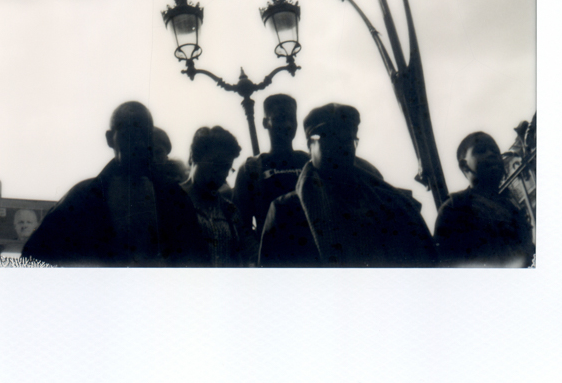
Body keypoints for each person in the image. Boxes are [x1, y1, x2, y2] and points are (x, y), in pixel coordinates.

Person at [22, 102, 207, 267]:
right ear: (110, 139)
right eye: (130, 135)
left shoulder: (174, 197)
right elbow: (35, 256)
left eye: (144, 135)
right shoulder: (82, 197)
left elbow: (196, 261)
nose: (139, 144)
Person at [259, 103, 437, 267]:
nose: (340, 147)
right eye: (329, 138)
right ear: (309, 145)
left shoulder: (388, 203)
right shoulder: (286, 211)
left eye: (347, 140)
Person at [433, 132, 533, 267]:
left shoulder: (513, 209)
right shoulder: (454, 208)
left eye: (495, 151)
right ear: (464, 166)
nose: (491, 154)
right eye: (481, 151)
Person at [232, 94, 310, 241]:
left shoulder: (308, 162)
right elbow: (241, 225)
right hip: (274, 255)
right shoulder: (251, 168)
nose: (288, 125)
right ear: (265, 123)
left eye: (292, 119)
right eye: (280, 118)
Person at [181, 126, 256, 267]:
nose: (221, 174)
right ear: (194, 156)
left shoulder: (230, 209)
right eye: (216, 164)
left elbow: (245, 256)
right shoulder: (171, 199)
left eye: (227, 168)